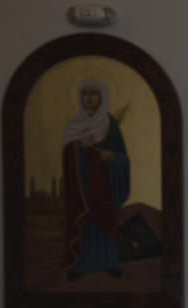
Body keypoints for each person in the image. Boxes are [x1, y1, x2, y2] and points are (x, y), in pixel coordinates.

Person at [61, 78, 130, 280]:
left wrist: (112, 156)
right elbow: (66, 156)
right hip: (81, 186)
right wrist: (79, 145)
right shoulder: (75, 124)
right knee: (84, 221)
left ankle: (110, 262)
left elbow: (124, 157)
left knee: (105, 222)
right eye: (85, 94)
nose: (89, 98)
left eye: (94, 94)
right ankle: (80, 265)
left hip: (105, 186)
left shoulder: (111, 125)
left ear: (102, 97)